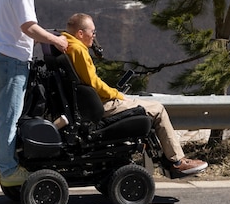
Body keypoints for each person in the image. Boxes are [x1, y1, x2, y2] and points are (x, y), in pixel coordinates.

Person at [62, 13, 208, 177]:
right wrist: (116, 94)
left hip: (90, 104)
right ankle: (177, 162)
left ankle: (170, 160)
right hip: (102, 104)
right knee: (158, 109)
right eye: (93, 32)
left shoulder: (66, 45)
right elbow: (94, 84)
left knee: (145, 106)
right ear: (80, 33)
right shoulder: (78, 50)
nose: (94, 36)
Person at [0, 0, 69, 187]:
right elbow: (28, 27)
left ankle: (3, 163)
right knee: (9, 117)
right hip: (12, 62)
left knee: (2, 116)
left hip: (1, 59)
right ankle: (9, 171)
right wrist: (56, 40)